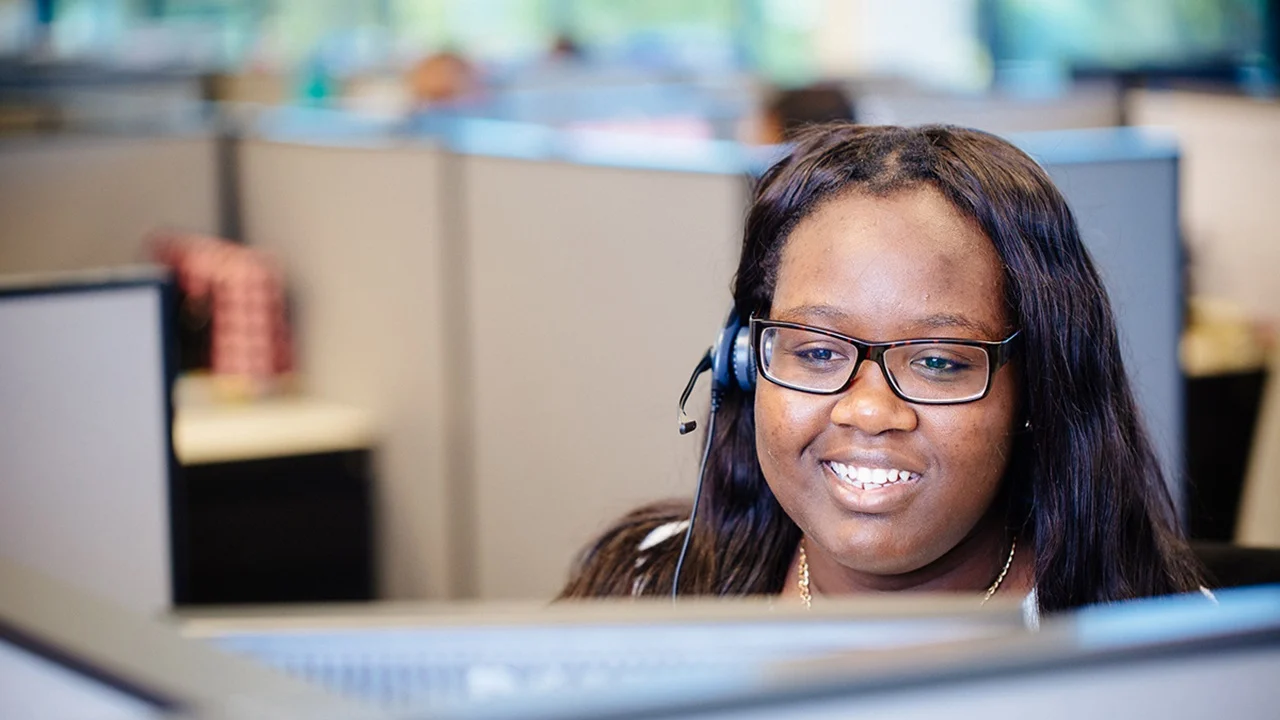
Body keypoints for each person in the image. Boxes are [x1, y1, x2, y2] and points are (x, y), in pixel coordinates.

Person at [558, 123, 1205, 616]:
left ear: (1038, 385)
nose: (867, 411)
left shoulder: (1170, 655)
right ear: (742, 367)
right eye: (816, 351)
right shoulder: (646, 593)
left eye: (936, 361)